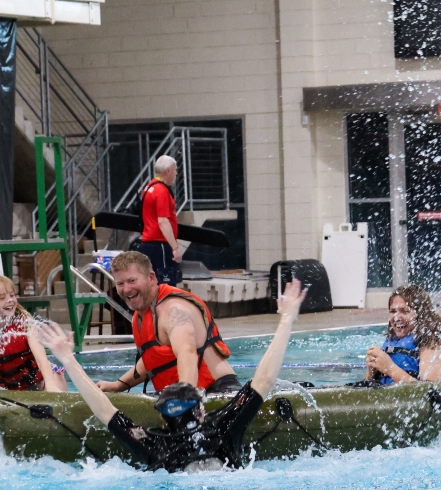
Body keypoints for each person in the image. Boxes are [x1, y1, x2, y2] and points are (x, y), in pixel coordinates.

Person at [35, 278, 308, 472]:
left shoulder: (155, 445)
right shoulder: (223, 429)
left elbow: (104, 410)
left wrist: (67, 358)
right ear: (201, 412)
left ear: (163, 419)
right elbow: (264, 379)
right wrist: (286, 319)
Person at [97, 251, 241, 394]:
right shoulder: (140, 315)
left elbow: (187, 351)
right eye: (120, 283)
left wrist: (185, 394)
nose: (126, 289)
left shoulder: (173, 310)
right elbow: (153, 359)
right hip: (182, 393)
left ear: (151, 278)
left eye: (132, 281)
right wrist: (118, 385)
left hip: (219, 391)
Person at [0, 274, 66, 392]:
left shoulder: (26, 325)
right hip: (18, 389)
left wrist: (50, 386)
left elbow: (42, 360)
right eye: (2, 298)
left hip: (45, 379)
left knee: (54, 393)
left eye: (12, 295)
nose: (10, 300)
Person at [365, 285, 441, 384]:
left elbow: (431, 392)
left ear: (421, 315)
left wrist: (390, 369)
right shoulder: (394, 340)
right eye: (393, 311)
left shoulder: (433, 344)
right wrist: (372, 373)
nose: (396, 317)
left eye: (405, 311)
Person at [138, 154, 182, 286]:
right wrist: (175, 248)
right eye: (175, 170)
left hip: (148, 244)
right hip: (160, 245)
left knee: (151, 284)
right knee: (165, 286)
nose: (176, 173)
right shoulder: (161, 191)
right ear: (168, 171)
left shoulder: (149, 187)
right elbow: (163, 221)